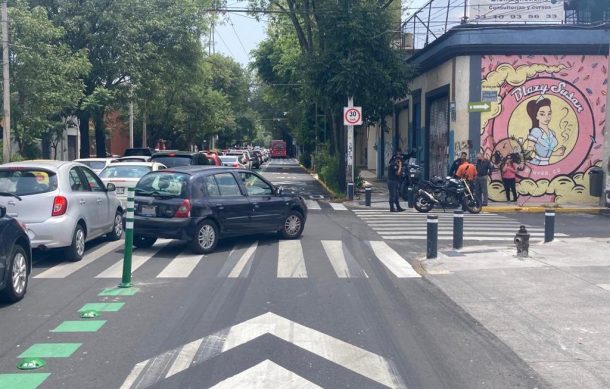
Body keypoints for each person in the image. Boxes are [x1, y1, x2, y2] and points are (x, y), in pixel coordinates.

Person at [524, 98, 566, 166]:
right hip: (536, 163)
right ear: (536, 116)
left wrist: (556, 153)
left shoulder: (552, 133)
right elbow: (529, 149)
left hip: (546, 163)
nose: (547, 117)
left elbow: (546, 152)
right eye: (542, 114)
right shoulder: (536, 131)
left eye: (549, 114)